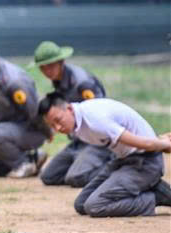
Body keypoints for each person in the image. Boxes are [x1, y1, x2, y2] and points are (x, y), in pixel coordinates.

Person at [38, 93, 171, 217]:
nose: (58, 128)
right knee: (81, 204)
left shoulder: (95, 119)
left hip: (145, 162)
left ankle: (154, 196)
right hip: (123, 160)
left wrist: (164, 144)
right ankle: (148, 186)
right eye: (52, 126)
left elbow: (145, 144)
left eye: (58, 120)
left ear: (69, 109)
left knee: (95, 206)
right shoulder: (78, 120)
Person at [28, 41, 112, 187]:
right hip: (79, 140)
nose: (46, 71)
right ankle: (83, 165)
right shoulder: (58, 80)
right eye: (42, 67)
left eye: (50, 65)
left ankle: (117, 167)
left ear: (61, 61)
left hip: (97, 140)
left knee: (76, 177)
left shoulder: (82, 83)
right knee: (49, 177)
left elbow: (100, 113)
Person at [0, 39, 50, 178]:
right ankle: (33, 158)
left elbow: (34, 111)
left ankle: (23, 164)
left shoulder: (14, 81)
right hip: (10, 130)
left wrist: (47, 132)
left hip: (33, 129)